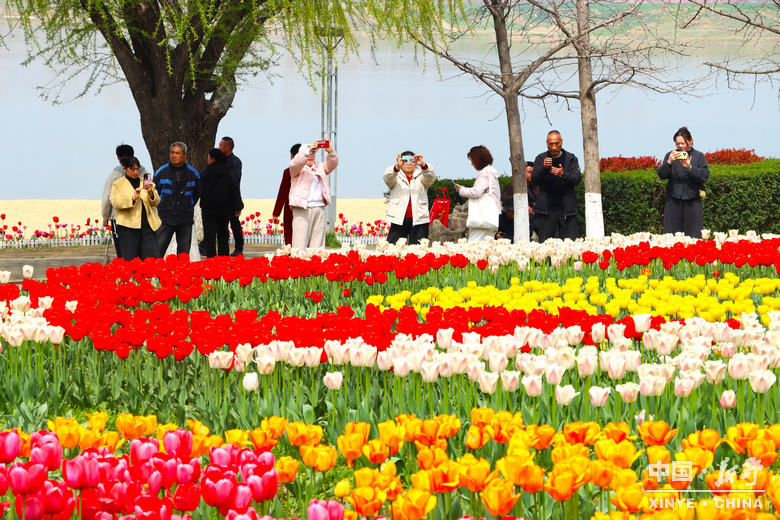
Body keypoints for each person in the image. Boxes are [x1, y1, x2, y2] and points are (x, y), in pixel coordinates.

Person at [657, 127, 710, 239]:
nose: (680, 146)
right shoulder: (670, 155)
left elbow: (705, 175)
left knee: (694, 237)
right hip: (673, 201)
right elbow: (662, 174)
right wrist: (669, 162)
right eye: (677, 143)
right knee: (670, 236)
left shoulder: (699, 156)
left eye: (683, 143)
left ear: (690, 141)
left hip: (693, 202)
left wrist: (690, 167)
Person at [531, 130, 582, 242]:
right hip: (547, 211)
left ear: (561, 142)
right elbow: (534, 180)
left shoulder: (571, 158)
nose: (554, 147)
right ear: (546, 143)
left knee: (570, 246)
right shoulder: (541, 158)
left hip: (567, 211)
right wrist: (543, 168)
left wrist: (563, 174)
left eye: (557, 143)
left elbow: (577, 179)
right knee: (545, 246)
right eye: (551, 144)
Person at [153, 142, 202, 257]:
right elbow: (155, 192)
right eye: (172, 153)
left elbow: (197, 193)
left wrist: (188, 205)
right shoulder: (161, 172)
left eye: (177, 153)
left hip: (185, 218)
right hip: (165, 218)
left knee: (184, 255)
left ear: (184, 156)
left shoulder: (193, 174)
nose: (174, 155)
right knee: (157, 252)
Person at [109, 156, 162, 261]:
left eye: (137, 169)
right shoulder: (118, 184)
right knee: (129, 260)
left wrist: (151, 192)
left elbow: (156, 202)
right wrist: (133, 198)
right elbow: (116, 202)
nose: (135, 172)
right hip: (128, 227)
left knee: (153, 260)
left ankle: (152, 278)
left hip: (147, 226)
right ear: (125, 169)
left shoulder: (146, 183)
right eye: (132, 169)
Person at [101, 144, 149, 259]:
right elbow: (150, 193)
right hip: (142, 218)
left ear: (118, 158)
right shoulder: (144, 172)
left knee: (123, 252)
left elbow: (107, 197)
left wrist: (105, 216)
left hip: (120, 219)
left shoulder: (115, 174)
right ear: (133, 155)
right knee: (143, 251)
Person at [289, 139, 338, 250]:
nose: (311, 156)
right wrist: (308, 150)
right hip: (302, 209)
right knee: (299, 243)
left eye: (313, 153)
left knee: (318, 245)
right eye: (309, 153)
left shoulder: (320, 167)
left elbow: (332, 164)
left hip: (319, 208)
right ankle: (298, 265)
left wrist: (331, 152)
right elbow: (294, 163)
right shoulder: (297, 170)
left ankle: (316, 265)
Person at [383, 151, 436, 245]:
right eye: (404, 161)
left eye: (411, 160)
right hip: (398, 218)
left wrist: (423, 165)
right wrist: (397, 167)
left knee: (419, 249)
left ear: (416, 162)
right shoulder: (396, 175)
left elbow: (430, 177)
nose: (408, 163)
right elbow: (387, 177)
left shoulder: (421, 175)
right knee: (393, 248)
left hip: (419, 218)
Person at [200, 148, 244, 258]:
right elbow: (234, 191)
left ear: (213, 159)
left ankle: (211, 258)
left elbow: (198, 191)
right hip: (224, 209)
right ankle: (223, 258)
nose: (207, 159)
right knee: (223, 233)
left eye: (208, 157)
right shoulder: (228, 173)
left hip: (208, 209)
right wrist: (238, 206)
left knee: (209, 235)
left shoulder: (204, 174)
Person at [454, 145, 501, 243]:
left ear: (478, 159)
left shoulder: (484, 173)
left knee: (473, 246)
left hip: (482, 219)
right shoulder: (492, 173)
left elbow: (476, 192)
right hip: (491, 217)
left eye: (472, 160)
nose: (472, 163)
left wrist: (461, 190)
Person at [218, 137, 245, 256]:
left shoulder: (235, 162)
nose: (218, 148)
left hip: (231, 197)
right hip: (220, 198)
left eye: (220, 145)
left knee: (234, 223)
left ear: (227, 148)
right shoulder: (219, 161)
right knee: (220, 225)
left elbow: (235, 179)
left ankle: (239, 248)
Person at [272, 144, 299, 246]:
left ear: (292, 155)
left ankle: (290, 251)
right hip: (306, 206)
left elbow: (283, 193)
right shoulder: (309, 171)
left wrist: (276, 213)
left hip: (290, 207)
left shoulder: (288, 172)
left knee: (290, 232)